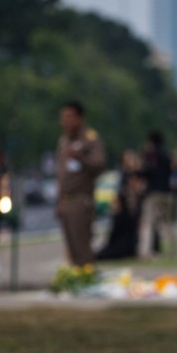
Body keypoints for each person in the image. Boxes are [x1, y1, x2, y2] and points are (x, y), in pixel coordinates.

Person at [54, 100, 107, 267]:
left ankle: (87, 281)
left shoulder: (90, 138)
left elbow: (100, 164)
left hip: (80, 200)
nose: (65, 121)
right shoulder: (63, 141)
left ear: (80, 118)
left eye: (69, 117)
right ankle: (77, 281)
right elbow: (61, 175)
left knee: (83, 249)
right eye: (63, 117)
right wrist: (58, 201)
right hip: (65, 200)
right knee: (71, 251)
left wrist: (81, 159)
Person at [96, 150, 143, 261]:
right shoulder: (122, 174)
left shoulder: (134, 173)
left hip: (131, 209)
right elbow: (119, 192)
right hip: (124, 209)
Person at [138, 130, 176, 260]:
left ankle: (145, 251)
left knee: (148, 222)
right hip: (167, 192)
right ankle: (173, 250)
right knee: (168, 222)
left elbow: (148, 171)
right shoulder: (166, 155)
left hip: (154, 192)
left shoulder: (152, 155)